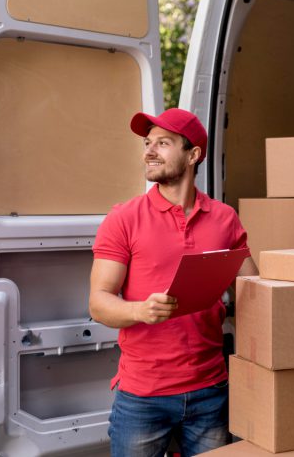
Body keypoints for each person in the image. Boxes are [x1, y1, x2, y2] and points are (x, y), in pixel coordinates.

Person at [89, 108, 257, 456]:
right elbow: (99, 303)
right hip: (142, 397)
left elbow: (254, 291)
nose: (149, 152)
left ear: (193, 155)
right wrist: (140, 311)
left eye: (163, 143)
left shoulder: (224, 218)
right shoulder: (124, 218)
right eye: (147, 143)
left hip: (210, 391)